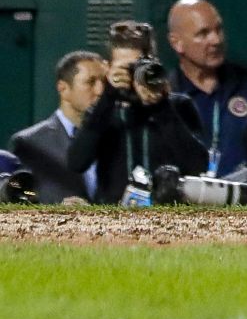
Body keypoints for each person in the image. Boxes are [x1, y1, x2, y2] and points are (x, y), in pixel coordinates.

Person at [65, 19, 207, 203]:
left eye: (137, 67)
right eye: (125, 69)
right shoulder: (102, 112)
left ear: (153, 64)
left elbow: (198, 166)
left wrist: (160, 107)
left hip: (167, 222)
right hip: (113, 224)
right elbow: (77, 162)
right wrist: (108, 96)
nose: (132, 75)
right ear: (108, 68)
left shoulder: (179, 106)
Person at [164, 0, 247, 180]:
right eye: (203, 33)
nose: (216, 40)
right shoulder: (166, 96)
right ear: (177, 43)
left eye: (219, 29)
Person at [8, 50, 107, 204]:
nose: (100, 91)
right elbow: (19, 206)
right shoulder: (29, 143)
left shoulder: (118, 137)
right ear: (63, 89)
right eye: (90, 82)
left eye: (104, 82)